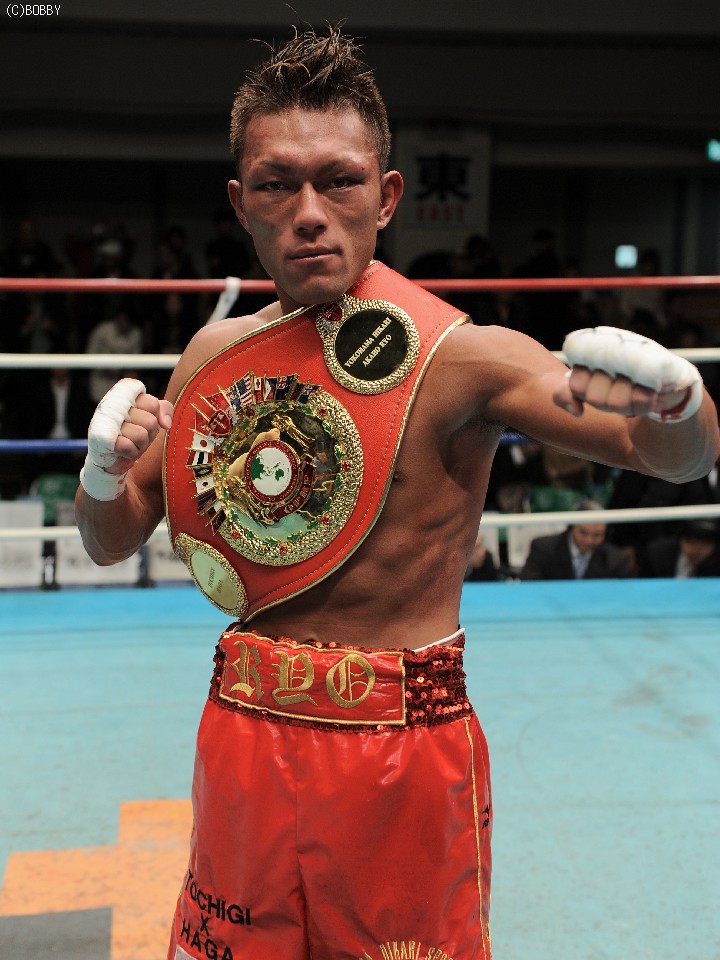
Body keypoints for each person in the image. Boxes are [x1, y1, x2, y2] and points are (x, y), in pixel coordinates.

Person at [74, 26, 720, 960]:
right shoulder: (213, 357)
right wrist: (101, 473)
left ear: (384, 197)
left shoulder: (466, 359)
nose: (308, 213)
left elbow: (669, 459)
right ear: (240, 202)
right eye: (276, 184)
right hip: (243, 738)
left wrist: (681, 404)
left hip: (400, 753)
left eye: (337, 181)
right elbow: (109, 539)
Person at [520, 501, 631, 581]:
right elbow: (529, 588)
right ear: (571, 527)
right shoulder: (543, 549)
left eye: (597, 535)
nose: (588, 541)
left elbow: (620, 597)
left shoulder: (616, 558)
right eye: (583, 533)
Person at [639, 518, 720, 578]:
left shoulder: (716, 562)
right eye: (691, 543)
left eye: (704, 545)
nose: (696, 550)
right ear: (680, 540)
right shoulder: (657, 554)